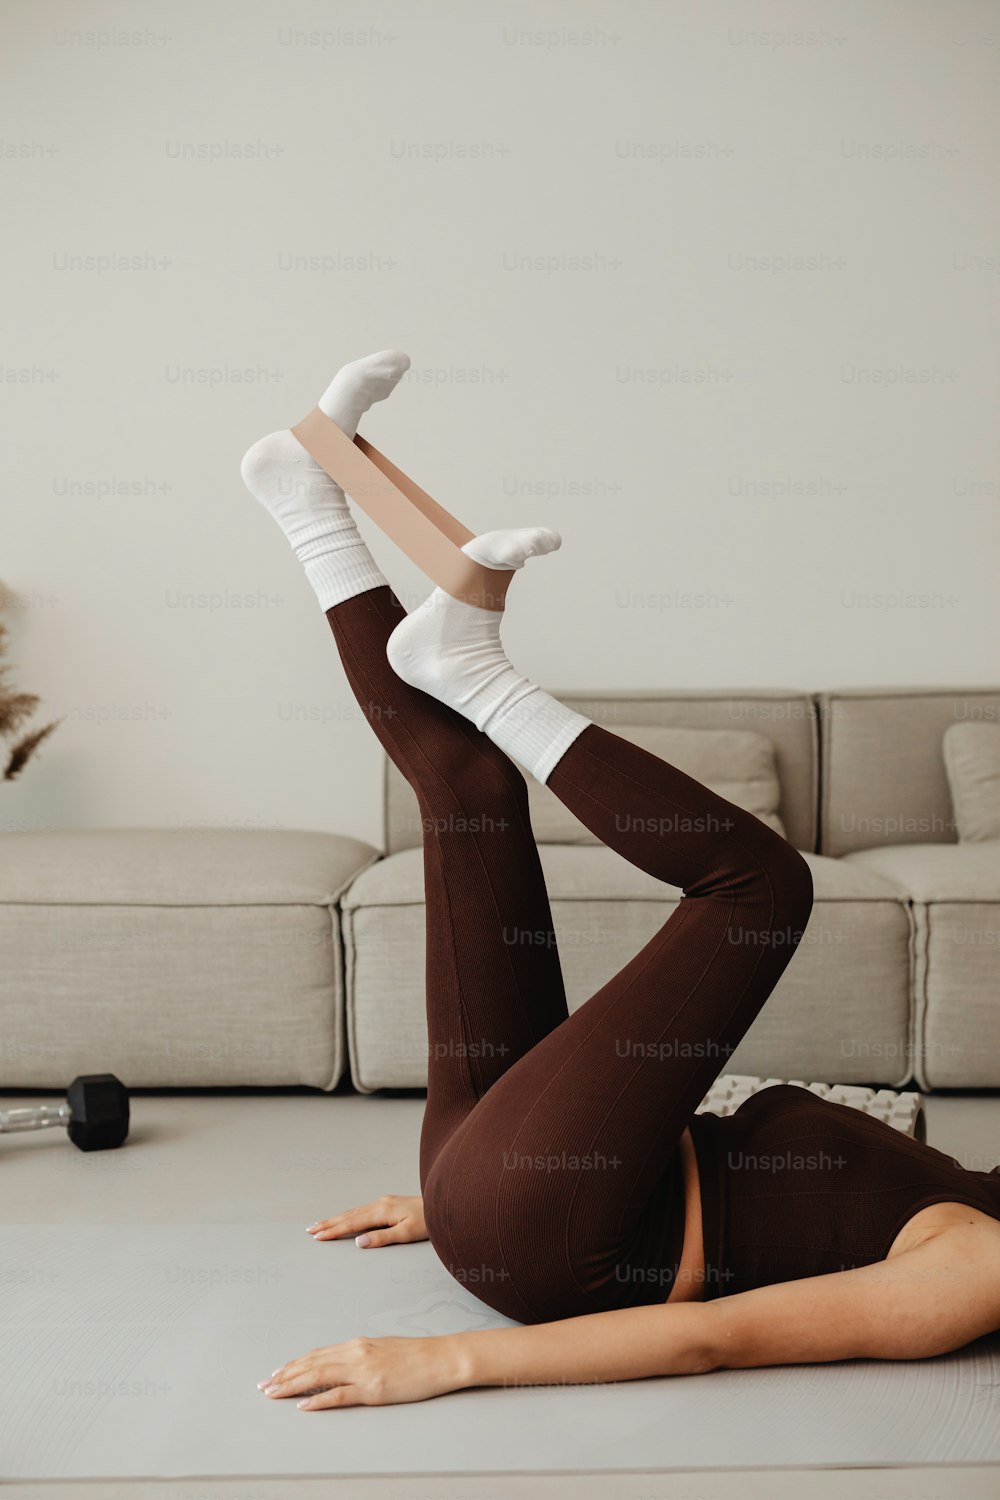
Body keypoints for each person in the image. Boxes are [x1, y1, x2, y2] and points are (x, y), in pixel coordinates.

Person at [240, 351, 1000, 1411]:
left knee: (760, 888)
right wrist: (468, 1188)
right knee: (466, 789)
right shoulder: (967, 1190)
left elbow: (716, 1340)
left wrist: (445, 1360)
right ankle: (305, 496)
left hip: (542, 1238)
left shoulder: (977, 1273)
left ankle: (477, 672)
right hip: (507, 1180)